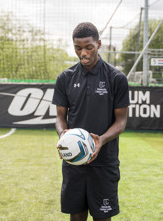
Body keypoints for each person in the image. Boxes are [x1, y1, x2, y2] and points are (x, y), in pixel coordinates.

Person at [52, 22, 130, 221]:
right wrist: (64, 136)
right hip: (74, 161)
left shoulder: (116, 78)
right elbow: (60, 117)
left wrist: (101, 140)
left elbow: (121, 122)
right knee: (76, 216)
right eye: (78, 48)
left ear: (99, 44)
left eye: (89, 47)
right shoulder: (65, 78)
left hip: (104, 163)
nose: (83, 53)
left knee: (102, 218)